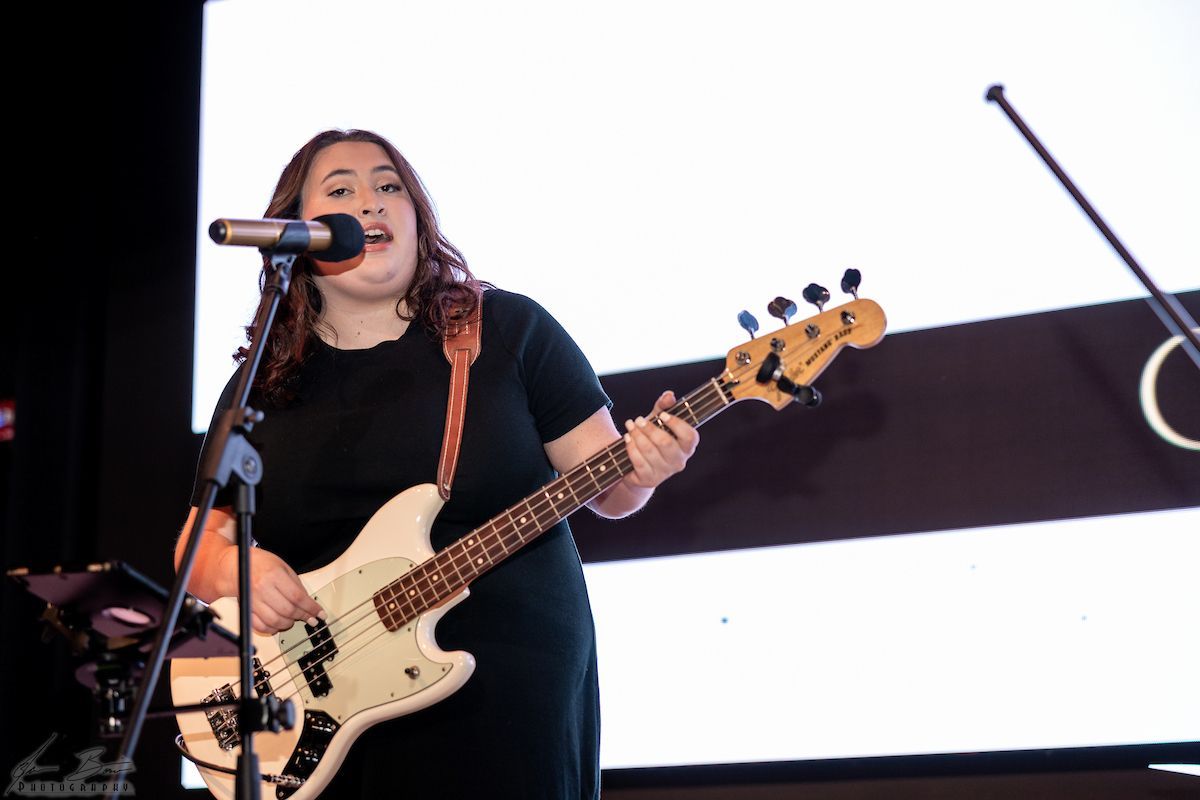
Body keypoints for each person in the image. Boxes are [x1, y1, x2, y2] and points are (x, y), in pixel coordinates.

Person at [175, 129, 699, 799]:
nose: (371, 202)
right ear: (297, 233)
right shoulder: (263, 383)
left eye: (390, 186)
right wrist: (233, 568)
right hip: (315, 716)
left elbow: (613, 489)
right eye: (342, 191)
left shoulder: (507, 331)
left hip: (502, 698)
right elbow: (196, 545)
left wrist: (644, 465)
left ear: (418, 215)